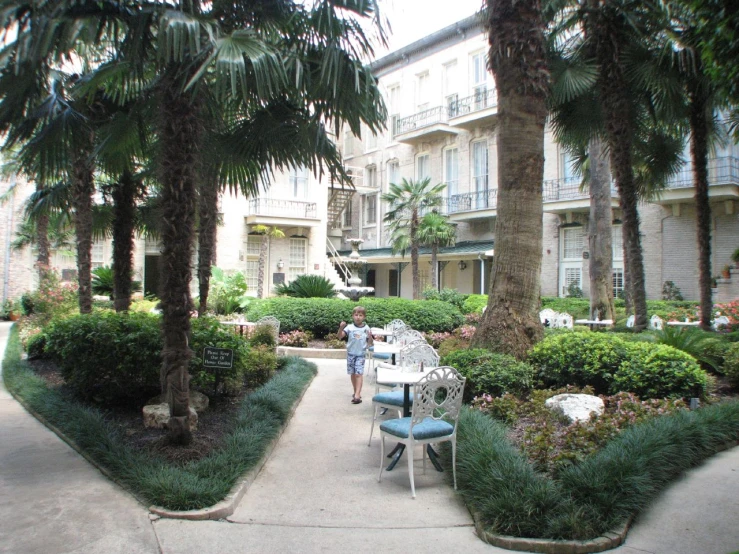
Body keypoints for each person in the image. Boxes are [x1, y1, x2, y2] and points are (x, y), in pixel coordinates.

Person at [338, 305, 374, 404]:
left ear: (364, 317)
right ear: (353, 316)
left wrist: (370, 337)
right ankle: (355, 391)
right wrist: (341, 328)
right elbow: (340, 337)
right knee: (353, 374)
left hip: (360, 354)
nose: (358, 317)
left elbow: (370, 343)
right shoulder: (349, 327)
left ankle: (357, 395)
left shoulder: (366, 328)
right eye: (356, 315)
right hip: (350, 354)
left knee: (358, 374)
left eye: (360, 315)